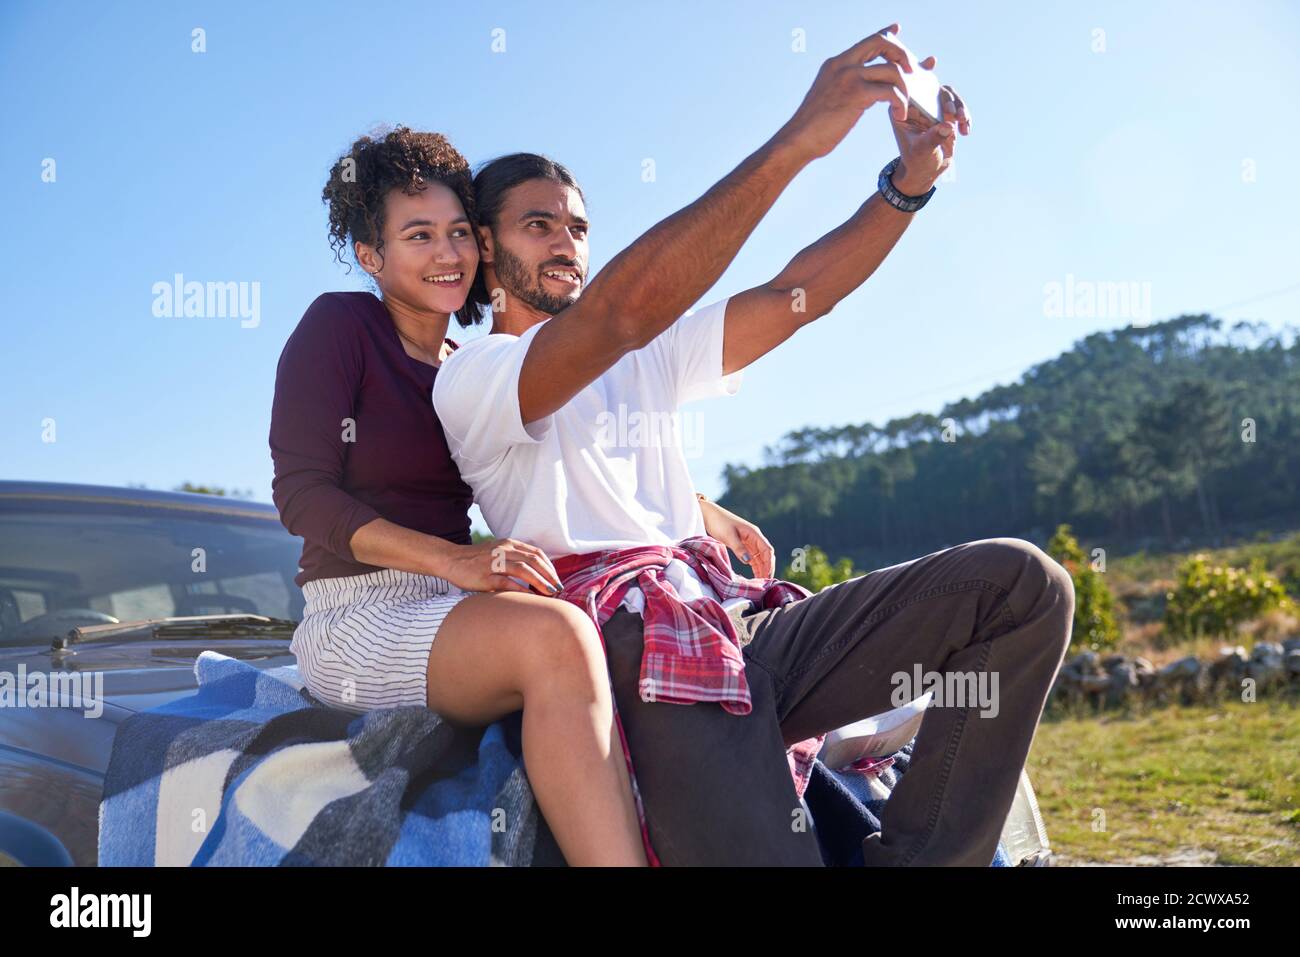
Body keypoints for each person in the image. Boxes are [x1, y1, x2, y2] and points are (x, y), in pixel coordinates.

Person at [434, 25, 1074, 866]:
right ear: (484, 246)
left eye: (578, 227)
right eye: (538, 224)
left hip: (731, 621)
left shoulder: (645, 355)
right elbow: (620, 311)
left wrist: (906, 186)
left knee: (1021, 586)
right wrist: (797, 143)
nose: (566, 242)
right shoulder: (476, 371)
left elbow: (795, 295)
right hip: (632, 651)